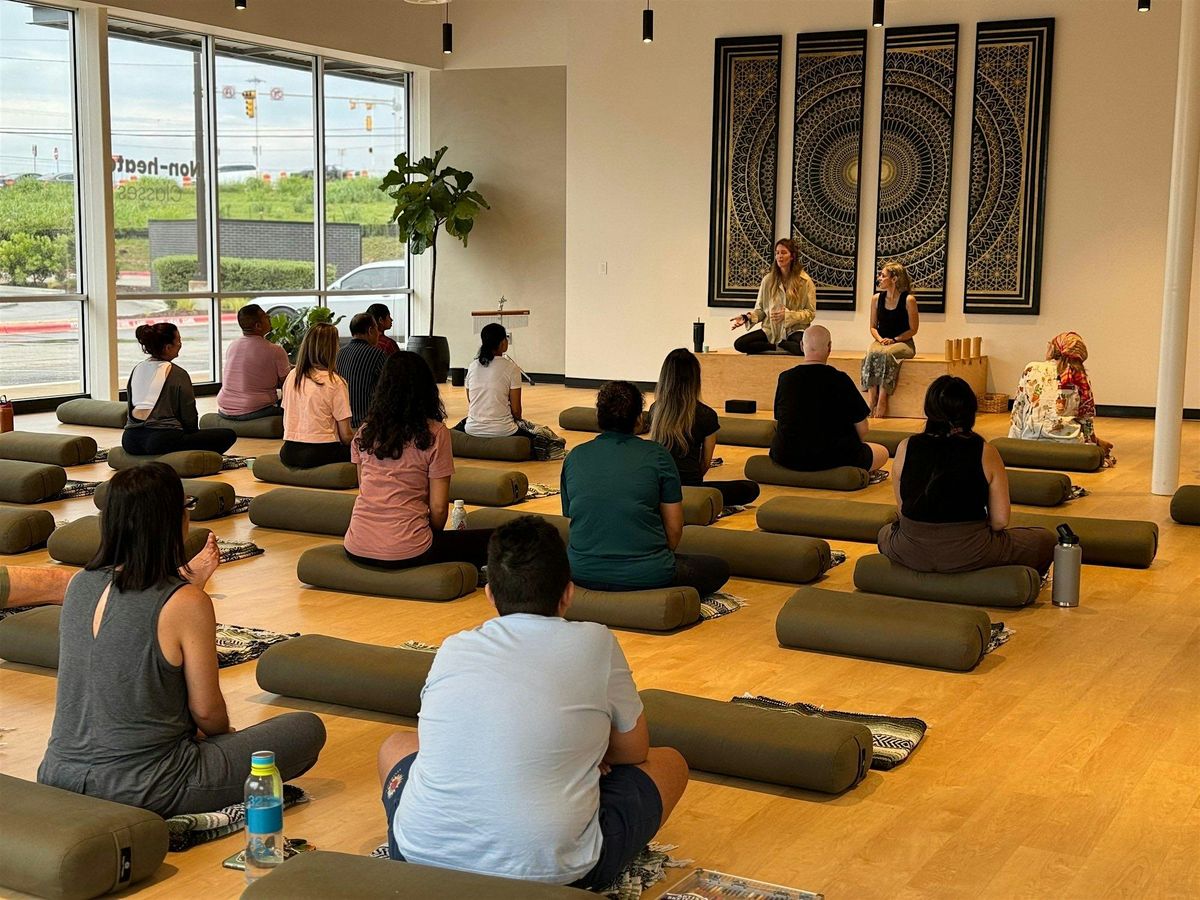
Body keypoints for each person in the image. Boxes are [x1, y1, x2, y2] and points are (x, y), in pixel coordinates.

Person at [378, 515, 688, 888]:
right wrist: (583, 752)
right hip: (558, 875)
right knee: (670, 763)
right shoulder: (597, 642)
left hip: (415, 856)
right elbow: (634, 751)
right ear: (568, 593)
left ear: (490, 594)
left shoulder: (454, 646)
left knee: (396, 745)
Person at [38, 463, 326, 818]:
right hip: (147, 787)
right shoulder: (187, 603)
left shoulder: (79, 584)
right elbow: (207, 712)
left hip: (58, 776)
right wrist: (223, 738)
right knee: (305, 729)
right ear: (176, 520)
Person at [561, 380, 730, 596]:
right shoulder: (657, 455)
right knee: (717, 567)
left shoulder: (575, 456)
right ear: (639, 419)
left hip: (581, 571)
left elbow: (573, 519)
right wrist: (653, 560)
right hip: (647, 573)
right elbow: (674, 529)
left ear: (598, 416)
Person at [878, 375, 1056, 575]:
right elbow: (999, 521)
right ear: (970, 411)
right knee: (1045, 540)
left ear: (929, 410)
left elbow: (903, 509)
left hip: (910, 549)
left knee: (885, 532)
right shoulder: (985, 452)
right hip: (970, 550)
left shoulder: (905, 447)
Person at [344, 351, 492, 572]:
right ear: (427, 389)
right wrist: (426, 534)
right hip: (409, 550)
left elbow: (364, 488)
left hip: (357, 546)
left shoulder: (365, 432)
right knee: (496, 539)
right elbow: (439, 509)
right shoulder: (435, 433)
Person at [648, 348, 760, 507]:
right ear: (695, 379)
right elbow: (705, 463)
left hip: (659, 487)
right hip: (690, 488)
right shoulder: (706, 415)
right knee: (750, 488)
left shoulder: (655, 410)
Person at [771, 325, 888, 473]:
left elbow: (779, 420)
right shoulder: (840, 379)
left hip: (786, 456)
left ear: (801, 345)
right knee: (882, 452)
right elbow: (863, 429)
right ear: (829, 347)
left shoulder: (785, 378)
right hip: (833, 457)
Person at [122, 322, 237, 456]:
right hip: (161, 440)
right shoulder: (177, 373)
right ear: (167, 347)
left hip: (130, 440)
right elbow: (189, 414)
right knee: (228, 434)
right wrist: (192, 434)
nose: (180, 344)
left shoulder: (137, 369)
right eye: (178, 341)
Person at [280, 322, 353, 468]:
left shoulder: (293, 375)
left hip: (289, 451)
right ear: (332, 349)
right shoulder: (335, 382)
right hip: (320, 452)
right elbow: (346, 436)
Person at [729, 238, 816, 355]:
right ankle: (777, 345)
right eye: (777, 253)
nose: (779, 256)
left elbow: (810, 313)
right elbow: (760, 310)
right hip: (771, 330)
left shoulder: (805, 281)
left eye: (783, 253)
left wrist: (788, 316)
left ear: (792, 256)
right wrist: (747, 317)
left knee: (806, 348)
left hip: (794, 330)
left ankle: (783, 344)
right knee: (740, 344)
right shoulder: (768, 280)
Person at [861, 261, 920, 418]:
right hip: (881, 341)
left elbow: (913, 329)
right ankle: (872, 398)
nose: (879, 278)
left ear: (894, 279)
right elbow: (873, 327)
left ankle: (882, 398)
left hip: (903, 342)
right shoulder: (876, 299)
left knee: (886, 354)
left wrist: (894, 340)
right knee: (870, 353)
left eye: (883, 275)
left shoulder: (909, 300)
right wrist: (880, 340)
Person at [1047, 331, 1115, 465]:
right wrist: (1093, 443)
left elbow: (1019, 410)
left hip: (1029, 440)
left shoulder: (1032, 370)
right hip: (1070, 444)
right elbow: (1085, 419)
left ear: (1053, 350)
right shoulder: (1081, 378)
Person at [215, 304, 291, 420]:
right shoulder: (275, 350)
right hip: (255, 408)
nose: (269, 317)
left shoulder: (233, 346)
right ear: (258, 326)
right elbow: (288, 384)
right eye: (265, 316)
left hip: (224, 408)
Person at [461, 323, 533, 440]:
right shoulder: (512, 368)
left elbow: (471, 400)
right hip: (504, 430)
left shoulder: (472, 366)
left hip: (472, 428)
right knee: (538, 437)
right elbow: (516, 411)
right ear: (503, 342)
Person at [336, 312, 387, 428]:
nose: (378, 333)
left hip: (342, 423)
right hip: (366, 424)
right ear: (370, 330)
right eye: (377, 329)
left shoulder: (340, 353)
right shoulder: (377, 355)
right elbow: (388, 386)